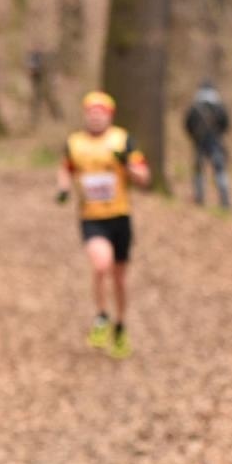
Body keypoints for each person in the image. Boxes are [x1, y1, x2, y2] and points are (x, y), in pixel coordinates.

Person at [55, 90, 150, 358]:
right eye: (91, 113)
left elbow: (144, 177)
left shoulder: (122, 140)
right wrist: (63, 187)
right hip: (91, 218)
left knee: (119, 278)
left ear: (109, 116)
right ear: (86, 115)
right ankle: (101, 317)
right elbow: (66, 167)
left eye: (101, 113)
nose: (95, 118)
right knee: (101, 264)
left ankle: (120, 326)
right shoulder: (75, 142)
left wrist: (127, 167)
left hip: (120, 217)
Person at [184, 80, 231, 210]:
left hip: (199, 143)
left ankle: (200, 198)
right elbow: (226, 124)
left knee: (199, 171)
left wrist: (194, 137)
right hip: (215, 143)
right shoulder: (219, 106)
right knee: (220, 171)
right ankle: (225, 200)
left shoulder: (195, 107)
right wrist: (218, 135)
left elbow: (188, 125)